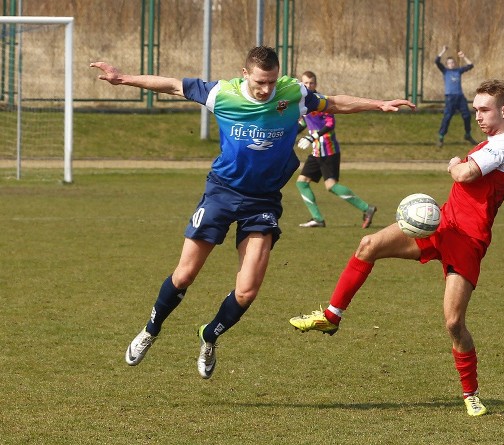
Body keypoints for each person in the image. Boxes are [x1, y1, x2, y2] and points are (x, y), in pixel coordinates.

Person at [90, 46, 415, 380]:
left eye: (272, 82)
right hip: (222, 192)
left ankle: (210, 335)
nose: (266, 89)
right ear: (245, 74)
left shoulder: (293, 93)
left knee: (247, 291)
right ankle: (151, 329)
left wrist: (379, 104)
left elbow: (332, 103)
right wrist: (124, 78)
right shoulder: (222, 93)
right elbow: (172, 85)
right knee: (184, 275)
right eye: (260, 82)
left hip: (263, 202)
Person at [289, 79, 504, 416]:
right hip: (442, 224)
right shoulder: (490, 143)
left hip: (468, 241)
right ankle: (331, 316)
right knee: (368, 245)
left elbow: (465, 175)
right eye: (475, 110)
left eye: (485, 110)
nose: (479, 117)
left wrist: (454, 162)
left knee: (453, 322)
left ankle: (470, 393)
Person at [295, 71, 377, 229]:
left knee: (331, 185)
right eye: (305, 83)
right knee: (302, 183)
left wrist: (312, 137)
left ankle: (367, 209)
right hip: (316, 151)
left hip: (328, 149)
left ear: (316, 84)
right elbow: (305, 123)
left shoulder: (320, 101)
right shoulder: (304, 102)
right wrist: (288, 134)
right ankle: (317, 218)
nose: (308, 85)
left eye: (311, 83)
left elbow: (330, 124)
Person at [435, 46, 478, 148]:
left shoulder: (458, 71)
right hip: (450, 98)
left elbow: (470, 65)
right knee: (447, 117)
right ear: (447, 65)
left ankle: (468, 134)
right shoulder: (445, 71)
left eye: (452, 62)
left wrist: (463, 57)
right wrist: (443, 51)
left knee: (467, 116)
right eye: (449, 63)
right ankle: (441, 137)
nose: (451, 64)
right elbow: (436, 61)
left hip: (460, 97)